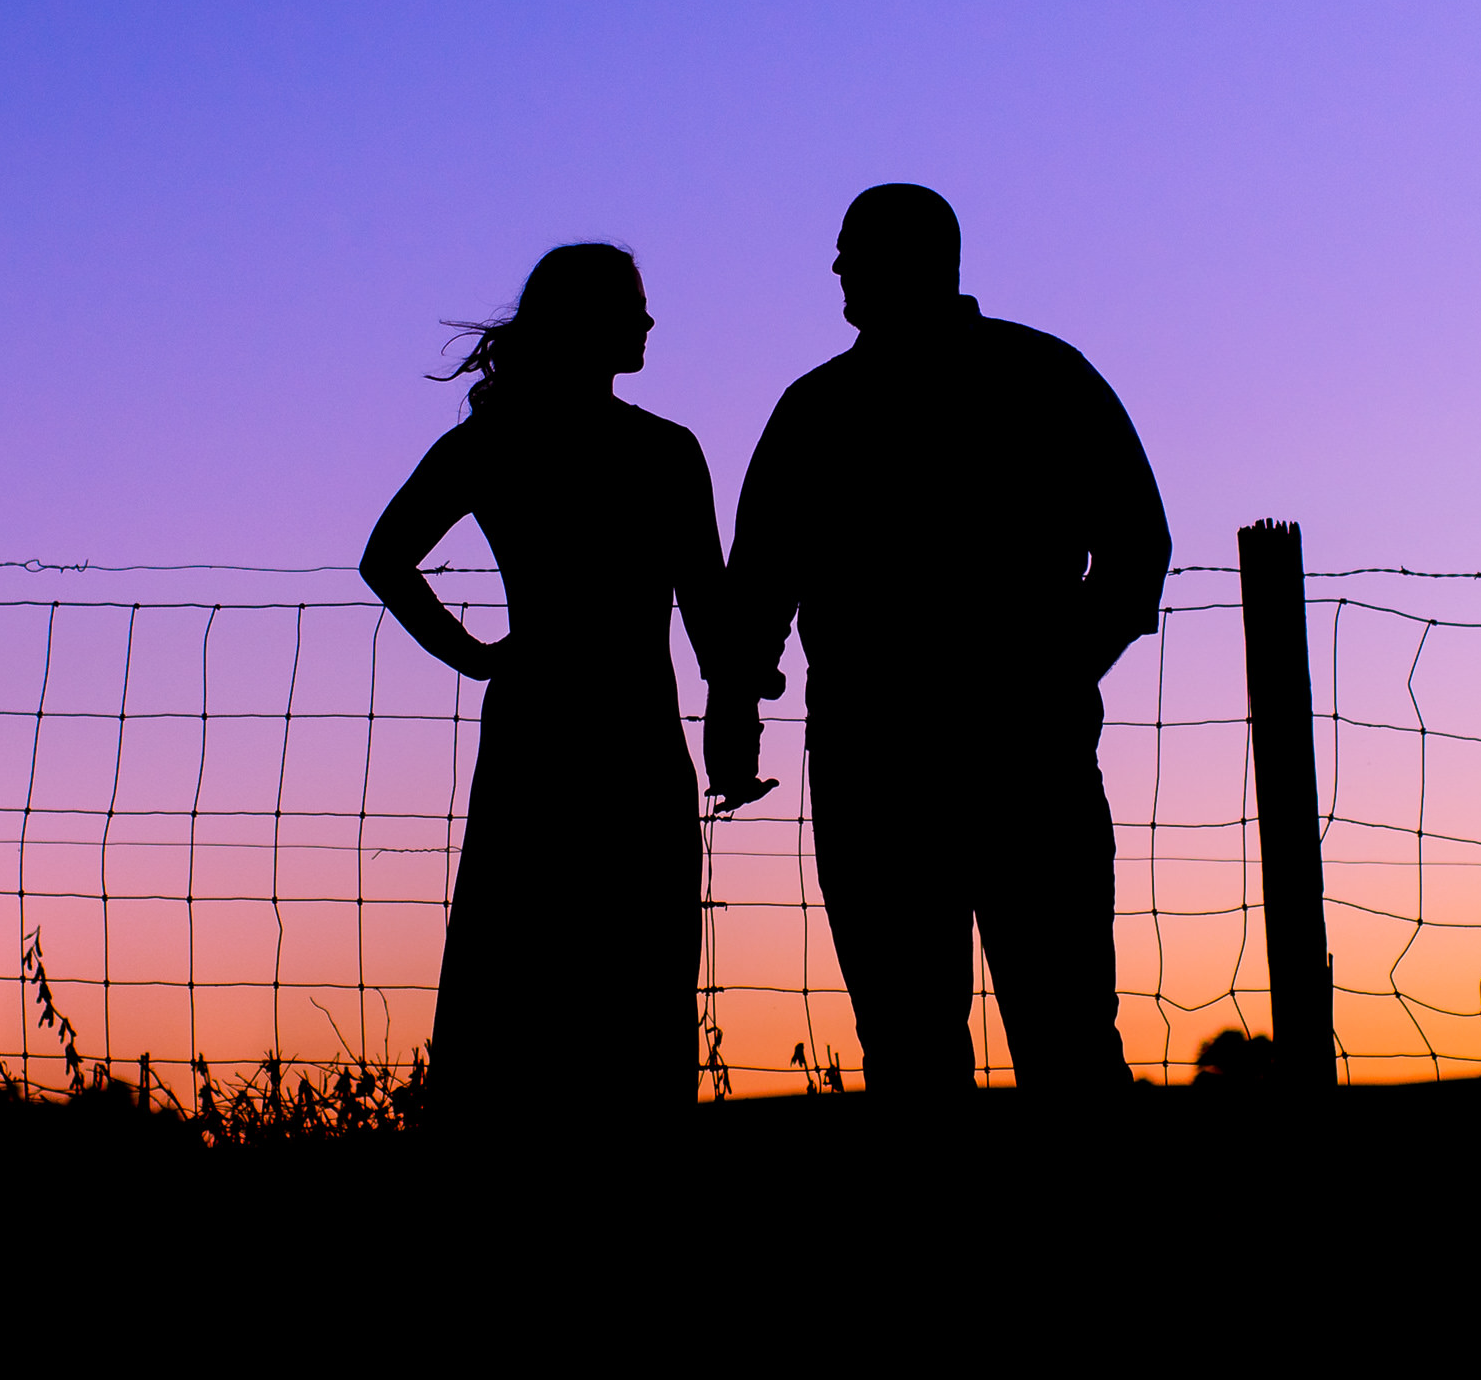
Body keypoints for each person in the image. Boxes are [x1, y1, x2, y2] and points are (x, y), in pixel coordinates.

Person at [713, 185, 1169, 1095]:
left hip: (1000, 759)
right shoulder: (825, 406)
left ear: (920, 257)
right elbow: (759, 581)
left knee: (1060, 1028)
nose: (837, 268)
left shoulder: (1033, 378)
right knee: (922, 1036)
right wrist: (736, 702)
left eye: (853, 249)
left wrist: (1057, 672)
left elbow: (1135, 549)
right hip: (888, 763)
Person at [363, 243, 738, 1124]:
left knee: (514, 966)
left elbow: (386, 560)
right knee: (637, 978)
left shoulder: (493, 443)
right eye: (632, 307)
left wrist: (481, 656)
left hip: (536, 730)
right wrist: (737, 701)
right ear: (588, 321)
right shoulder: (662, 452)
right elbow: (708, 610)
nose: (648, 323)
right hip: (635, 736)